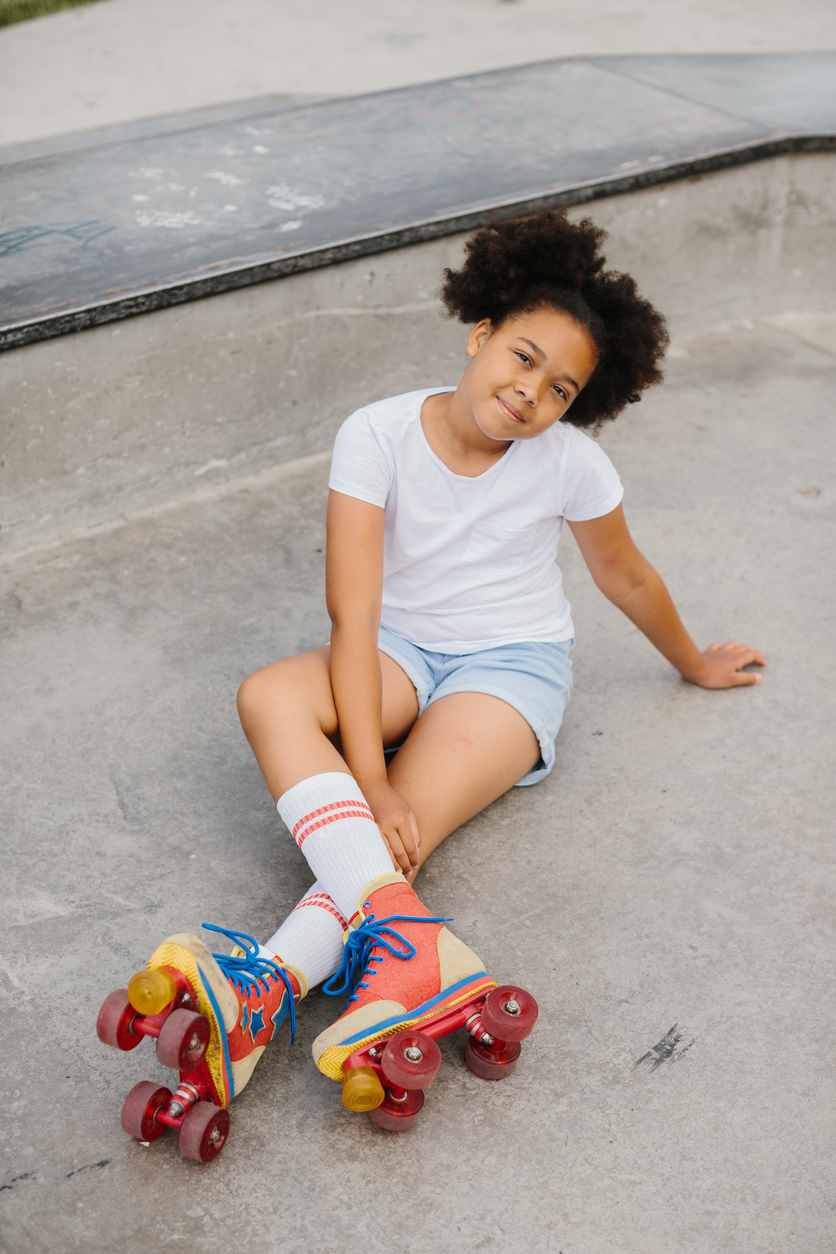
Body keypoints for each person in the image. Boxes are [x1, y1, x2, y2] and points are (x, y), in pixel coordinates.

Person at [119, 210, 765, 1118]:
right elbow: (355, 612)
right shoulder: (376, 435)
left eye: (563, 389)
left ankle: (262, 991)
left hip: (511, 665)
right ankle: (401, 938)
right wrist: (367, 780)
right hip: (394, 650)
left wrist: (694, 662)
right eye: (525, 357)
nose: (534, 392)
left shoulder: (572, 465)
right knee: (270, 696)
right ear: (481, 334)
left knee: (401, 826)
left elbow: (625, 575)